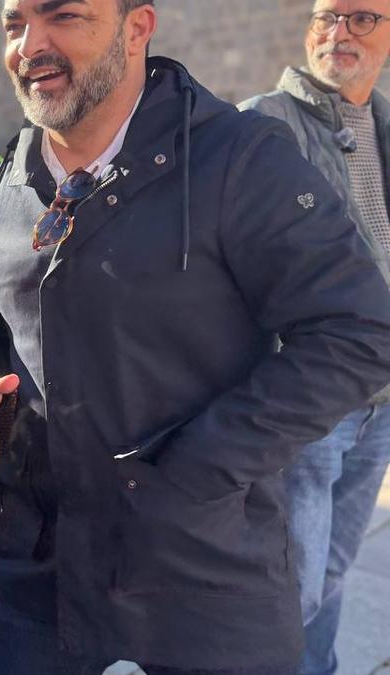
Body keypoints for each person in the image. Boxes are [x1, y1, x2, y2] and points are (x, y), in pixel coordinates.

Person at [0, 0, 390, 673]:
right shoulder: (2, 184)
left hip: (204, 587)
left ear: (137, 27)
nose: (31, 45)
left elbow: (360, 329)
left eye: (65, 17)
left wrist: (196, 466)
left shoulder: (240, 161)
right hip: (40, 588)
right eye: (15, 23)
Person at [239, 3, 390, 673]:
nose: (340, 34)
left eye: (363, 19)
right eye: (328, 16)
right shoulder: (262, 124)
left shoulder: (385, 123)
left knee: (332, 577)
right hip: (311, 401)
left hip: (381, 400)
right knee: (288, 590)